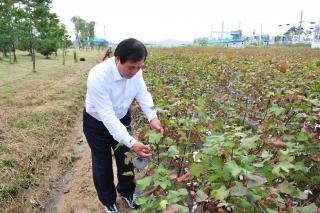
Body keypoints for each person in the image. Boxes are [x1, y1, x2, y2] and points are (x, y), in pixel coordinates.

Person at [83, 38, 163, 213]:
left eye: (139, 67)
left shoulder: (136, 72)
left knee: (125, 159)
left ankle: (127, 192)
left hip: (122, 117)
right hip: (97, 123)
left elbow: (143, 93)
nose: (135, 72)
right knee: (102, 164)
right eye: (131, 67)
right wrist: (132, 142)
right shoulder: (98, 76)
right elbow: (107, 116)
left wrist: (152, 117)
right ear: (117, 59)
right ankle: (108, 201)